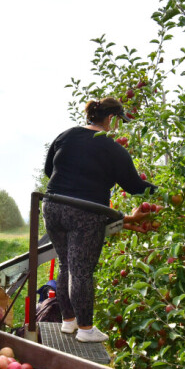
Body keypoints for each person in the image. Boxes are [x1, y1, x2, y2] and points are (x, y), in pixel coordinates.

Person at [43, 97, 157, 343]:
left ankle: (69, 322)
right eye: (119, 121)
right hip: (85, 212)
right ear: (111, 119)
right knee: (82, 270)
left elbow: (48, 170)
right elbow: (135, 186)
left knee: (65, 265)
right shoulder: (112, 148)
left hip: (52, 206)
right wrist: (165, 193)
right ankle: (85, 329)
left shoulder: (66, 135)